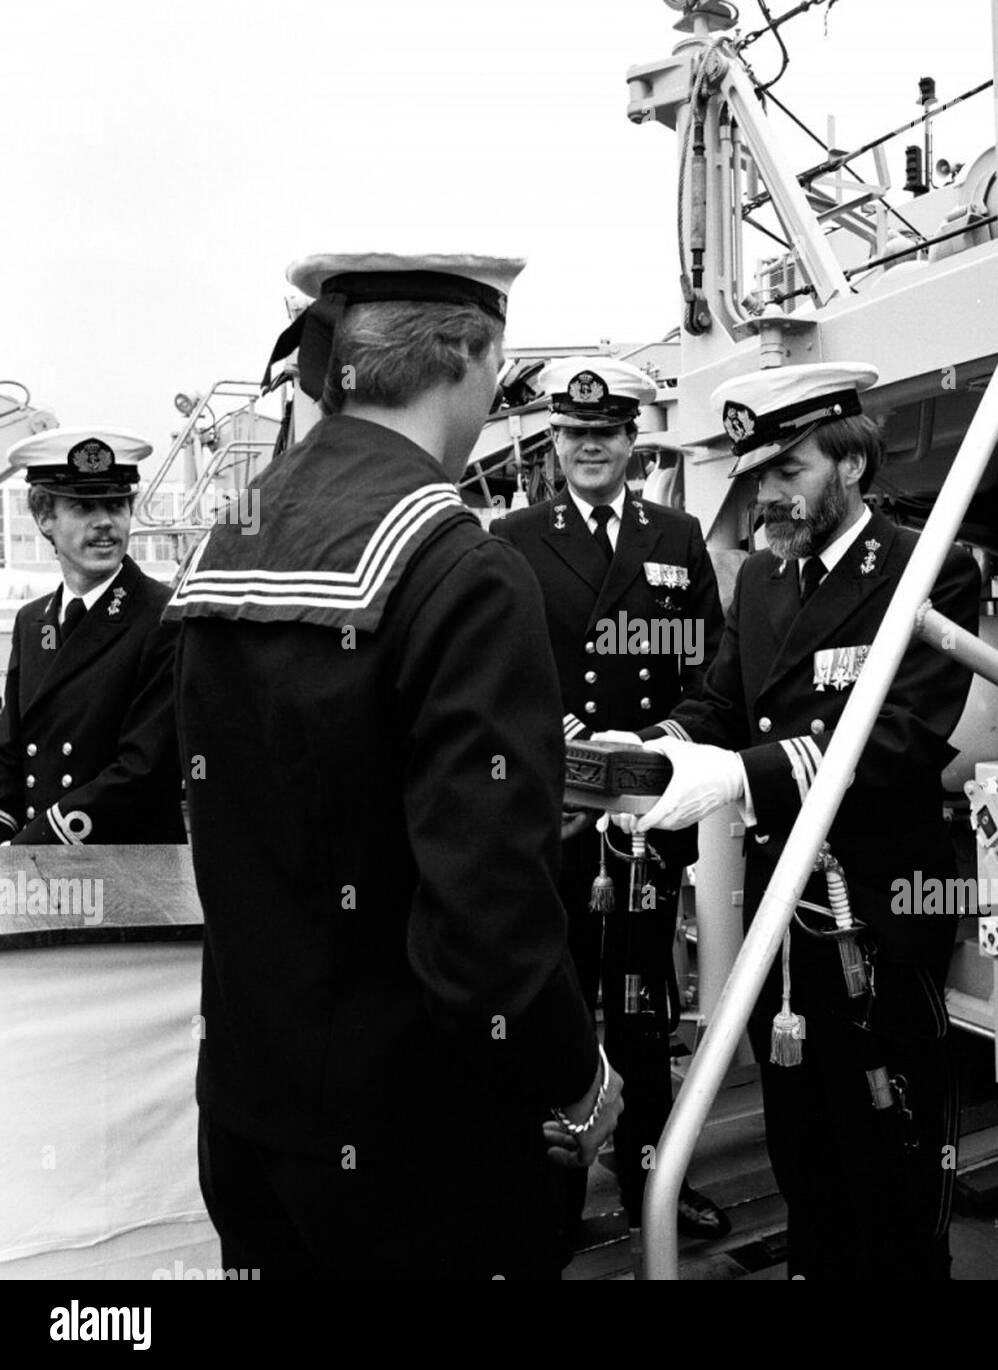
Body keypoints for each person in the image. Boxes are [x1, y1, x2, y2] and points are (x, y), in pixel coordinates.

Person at [166, 252, 621, 1280]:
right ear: (471, 356)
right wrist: (576, 1074)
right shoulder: (460, 567)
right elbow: (486, 918)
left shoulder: (224, 547)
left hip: (249, 1114)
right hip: (419, 1148)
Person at [624, 362, 980, 1279]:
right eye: (759, 476)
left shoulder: (929, 565)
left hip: (881, 912)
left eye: (790, 471)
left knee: (892, 1149)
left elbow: (900, 736)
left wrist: (737, 779)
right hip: (784, 922)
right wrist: (637, 760)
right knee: (805, 1146)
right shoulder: (761, 583)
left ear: (852, 464)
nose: (768, 494)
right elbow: (719, 704)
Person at [491, 356, 729, 1244]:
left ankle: (651, 1181)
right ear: (554, 442)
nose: (589, 448)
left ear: (633, 440)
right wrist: (563, 742)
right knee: (557, 1000)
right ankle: (551, 1197)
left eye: (605, 434)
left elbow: (711, 669)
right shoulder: (515, 536)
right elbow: (500, 664)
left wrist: (663, 745)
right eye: (573, 435)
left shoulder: (677, 535)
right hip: (555, 814)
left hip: (645, 813)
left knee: (642, 1006)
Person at [0, 428, 185, 845]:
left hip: (128, 875)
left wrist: (28, 846)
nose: (105, 523)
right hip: (39, 867)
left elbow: (143, 769)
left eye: (116, 505)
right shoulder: (34, 623)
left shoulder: (164, 618)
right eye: (84, 506)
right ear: (44, 516)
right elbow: (11, 752)